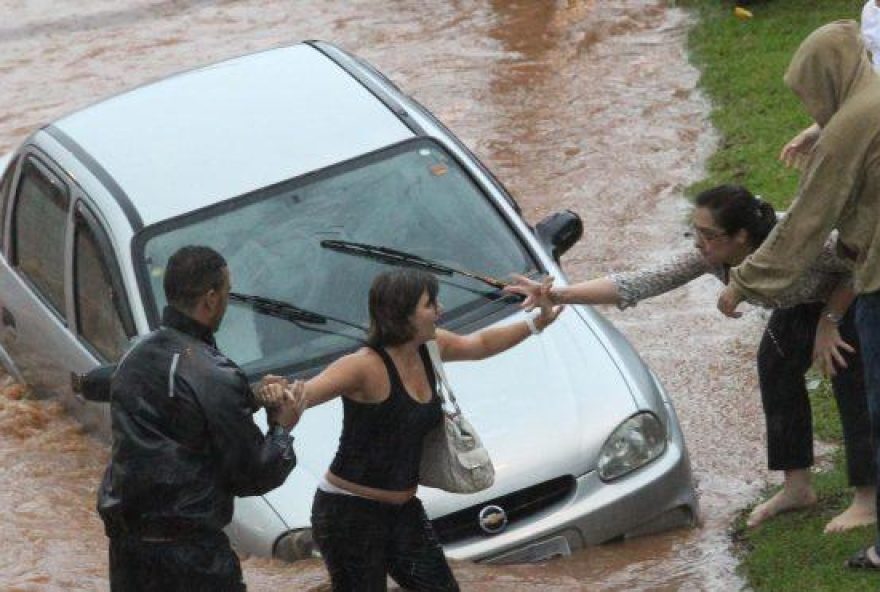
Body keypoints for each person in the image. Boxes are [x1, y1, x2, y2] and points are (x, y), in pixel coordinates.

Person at [507, 184, 875, 533]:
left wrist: (830, 322)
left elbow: (861, 262)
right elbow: (640, 282)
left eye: (709, 234)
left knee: (851, 382)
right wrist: (559, 295)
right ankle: (798, 488)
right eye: (694, 231)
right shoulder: (711, 256)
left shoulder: (798, 240)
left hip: (853, 298)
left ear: (740, 237)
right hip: (799, 307)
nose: (699, 242)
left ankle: (868, 499)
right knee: (776, 370)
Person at [258, 268, 561, 592]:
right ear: (401, 314)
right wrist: (276, 393)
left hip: (403, 511)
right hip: (347, 514)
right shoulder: (362, 366)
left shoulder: (431, 346)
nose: (440, 311)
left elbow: (480, 344)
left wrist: (536, 322)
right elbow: (305, 396)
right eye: (431, 304)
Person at [715, 21, 880, 569]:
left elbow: (806, 223)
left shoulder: (851, 125)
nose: (809, 104)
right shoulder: (870, 100)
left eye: (809, 90)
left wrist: (744, 282)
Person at [85, 246, 307, 591]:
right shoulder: (213, 374)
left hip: (129, 554)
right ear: (210, 299)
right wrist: (281, 428)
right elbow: (254, 476)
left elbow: (182, 405)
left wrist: (248, 397)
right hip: (191, 559)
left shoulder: (135, 355)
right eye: (228, 292)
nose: (228, 301)